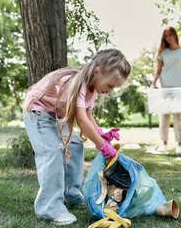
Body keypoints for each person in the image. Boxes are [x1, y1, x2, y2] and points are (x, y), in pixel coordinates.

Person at [22, 49, 131, 225]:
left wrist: (101, 134)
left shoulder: (92, 88)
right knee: (52, 152)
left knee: (75, 145)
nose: (110, 91)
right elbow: (81, 120)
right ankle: (48, 208)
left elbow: (88, 116)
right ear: (97, 72)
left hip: (55, 116)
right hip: (38, 113)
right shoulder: (77, 83)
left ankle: (70, 193)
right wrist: (103, 146)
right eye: (110, 85)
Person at [151, 26, 181, 155]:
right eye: (166, 36)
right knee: (164, 116)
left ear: (175, 35)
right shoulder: (163, 53)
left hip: (179, 87)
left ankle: (179, 145)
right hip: (164, 86)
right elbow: (158, 71)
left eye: (170, 35)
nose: (168, 38)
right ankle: (164, 144)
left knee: (178, 116)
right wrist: (153, 85)